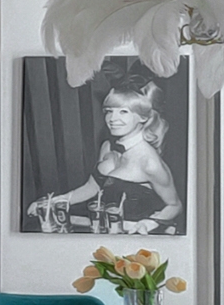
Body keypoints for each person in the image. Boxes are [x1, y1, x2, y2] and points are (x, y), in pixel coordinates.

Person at [27, 78, 180, 232]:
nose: (112, 119)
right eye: (109, 111)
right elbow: (91, 188)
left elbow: (175, 205)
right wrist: (52, 202)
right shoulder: (107, 146)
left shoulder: (150, 163)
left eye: (123, 112)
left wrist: (149, 223)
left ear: (143, 117)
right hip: (103, 227)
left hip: (136, 235)